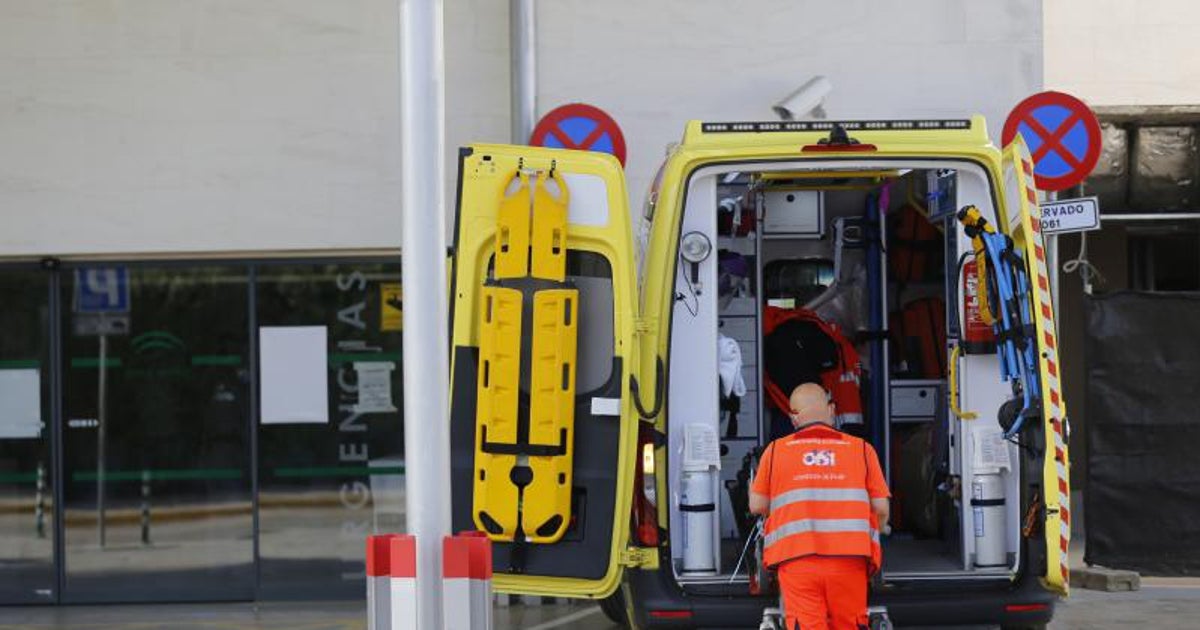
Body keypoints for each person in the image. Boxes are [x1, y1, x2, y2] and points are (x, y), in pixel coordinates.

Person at [749, 383, 890, 630]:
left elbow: (757, 505)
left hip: (797, 561)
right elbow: (880, 509)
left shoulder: (775, 452)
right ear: (832, 410)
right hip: (850, 563)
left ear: (793, 417)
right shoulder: (862, 450)